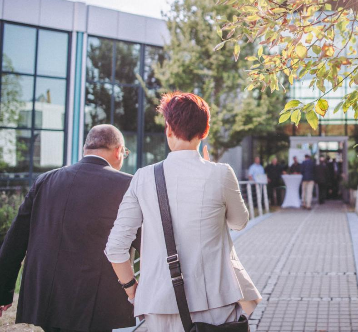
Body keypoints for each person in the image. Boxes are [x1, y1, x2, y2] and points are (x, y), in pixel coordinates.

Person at [105, 92, 261, 331]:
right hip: (216, 302)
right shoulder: (221, 173)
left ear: (168, 128)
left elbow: (116, 246)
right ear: (205, 130)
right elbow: (239, 222)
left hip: (159, 304)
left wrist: (132, 289)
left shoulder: (143, 177)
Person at [0, 125, 138, 332]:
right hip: (103, 304)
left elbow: (15, 239)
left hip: (50, 300)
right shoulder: (129, 185)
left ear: (85, 149)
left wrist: (3, 292)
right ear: (119, 150)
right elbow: (148, 240)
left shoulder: (44, 181)